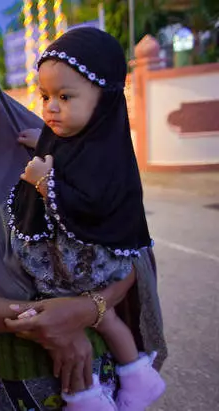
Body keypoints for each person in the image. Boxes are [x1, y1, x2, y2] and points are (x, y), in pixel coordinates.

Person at [0, 40, 167, 410]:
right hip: (1, 389)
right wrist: (43, 323)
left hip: (97, 370)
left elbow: (128, 245)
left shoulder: (54, 146)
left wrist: (87, 309)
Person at [9, 28, 166, 410]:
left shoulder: (106, 156)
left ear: (105, 99)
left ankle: (88, 394)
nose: (51, 108)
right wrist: (40, 142)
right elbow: (57, 146)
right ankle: (134, 375)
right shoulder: (71, 137)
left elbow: (90, 204)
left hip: (89, 264)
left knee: (79, 319)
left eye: (65, 96)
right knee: (101, 318)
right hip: (75, 264)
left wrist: (45, 182)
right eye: (46, 97)